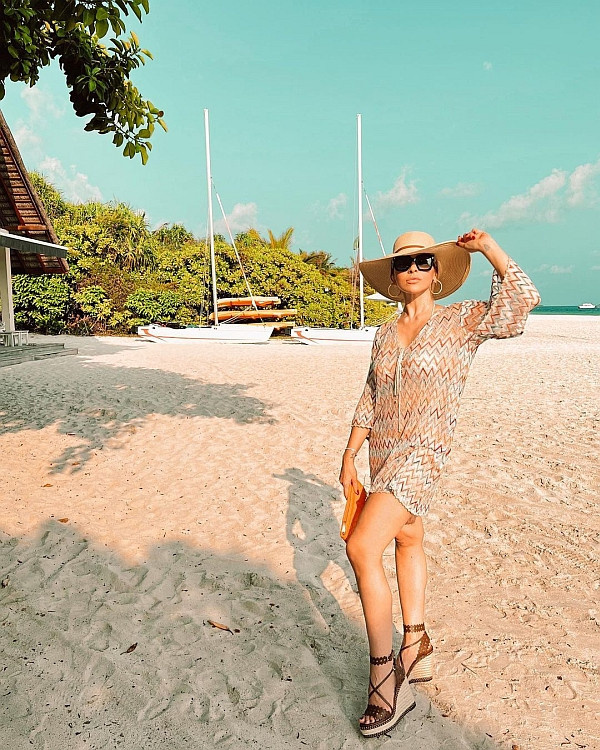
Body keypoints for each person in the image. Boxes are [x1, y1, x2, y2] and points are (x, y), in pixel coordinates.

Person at [339, 228, 540, 738]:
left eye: (424, 261)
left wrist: (488, 247)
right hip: (383, 453)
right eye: (404, 263)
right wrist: (350, 454)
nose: (413, 269)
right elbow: (370, 395)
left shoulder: (461, 321)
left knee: (361, 548)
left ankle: (385, 678)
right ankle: (416, 639)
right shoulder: (384, 333)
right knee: (408, 538)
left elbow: (522, 302)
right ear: (392, 274)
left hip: (424, 454)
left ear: (436, 273)